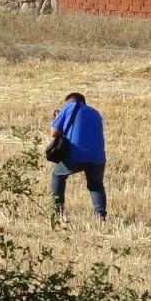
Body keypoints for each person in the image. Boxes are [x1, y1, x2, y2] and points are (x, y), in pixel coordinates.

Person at [49, 92, 107, 220]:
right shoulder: (96, 113)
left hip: (76, 154)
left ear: (69, 101)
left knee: (57, 176)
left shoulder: (69, 107)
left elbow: (54, 133)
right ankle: (100, 214)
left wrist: (56, 119)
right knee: (96, 185)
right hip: (98, 156)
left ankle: (56, 211)